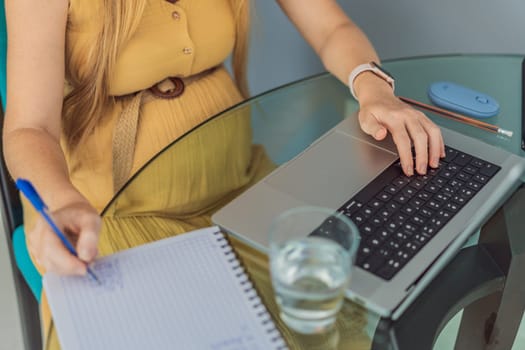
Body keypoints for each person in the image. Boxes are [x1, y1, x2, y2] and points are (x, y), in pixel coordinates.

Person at [3, 0, 445, 348]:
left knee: (341, 313)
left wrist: (373, 88)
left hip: (241, 183)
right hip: (114, 210)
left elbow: (331, 27)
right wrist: (60, 200)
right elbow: (29, 128)